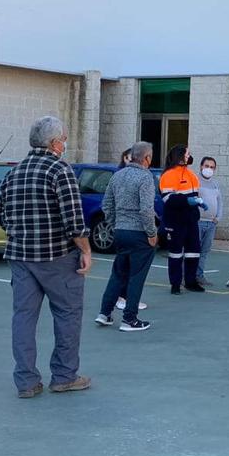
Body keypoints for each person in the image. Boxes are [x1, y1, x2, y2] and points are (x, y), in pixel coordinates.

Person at [0, 116, 92, 399]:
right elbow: (74, 220)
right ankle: (64, 376)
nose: (65, 144)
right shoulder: (60, 169)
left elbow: (0, 214)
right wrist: (85, 250)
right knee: (67, 314)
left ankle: (26, 381)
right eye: (63, 139)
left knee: (23, 317)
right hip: (57, 256)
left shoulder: (15, 172)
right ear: (54, 143)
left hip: (21, 257)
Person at [95, 141, 158, 332]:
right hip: (139, 233)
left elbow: (106, 205)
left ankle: (104, 313)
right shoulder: (146, 178)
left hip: (121, 231)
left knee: (118, 274)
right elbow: (146, 210)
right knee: (136, 277)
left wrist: (116, 224)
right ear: (147, 158)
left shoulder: (118, 175)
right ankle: (130, 318)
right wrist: (152, 233)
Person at [160, 144, 205, 294]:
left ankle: (191, 282)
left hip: (191, 220)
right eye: (187, 154)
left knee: (194, 252)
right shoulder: (168, 175)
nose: (189, 156)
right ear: (180, 157)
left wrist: (199, 202)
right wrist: (187, 201)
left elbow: (195, 194)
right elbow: (168, 198)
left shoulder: (191, 175)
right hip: (175, 221)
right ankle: (175, 284)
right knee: (175, 253)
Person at [197, 156, 222, 287]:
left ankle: (199, 276)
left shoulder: (216, 184)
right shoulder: (195, 181)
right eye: (207, 166)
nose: (209, 169)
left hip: (211, 224)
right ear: (201, 166)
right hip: (197, 222)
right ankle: (186, 276)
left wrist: (217, 218)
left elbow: (220, 202)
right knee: (192, 250)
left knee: (204, 251)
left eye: (212, 167)